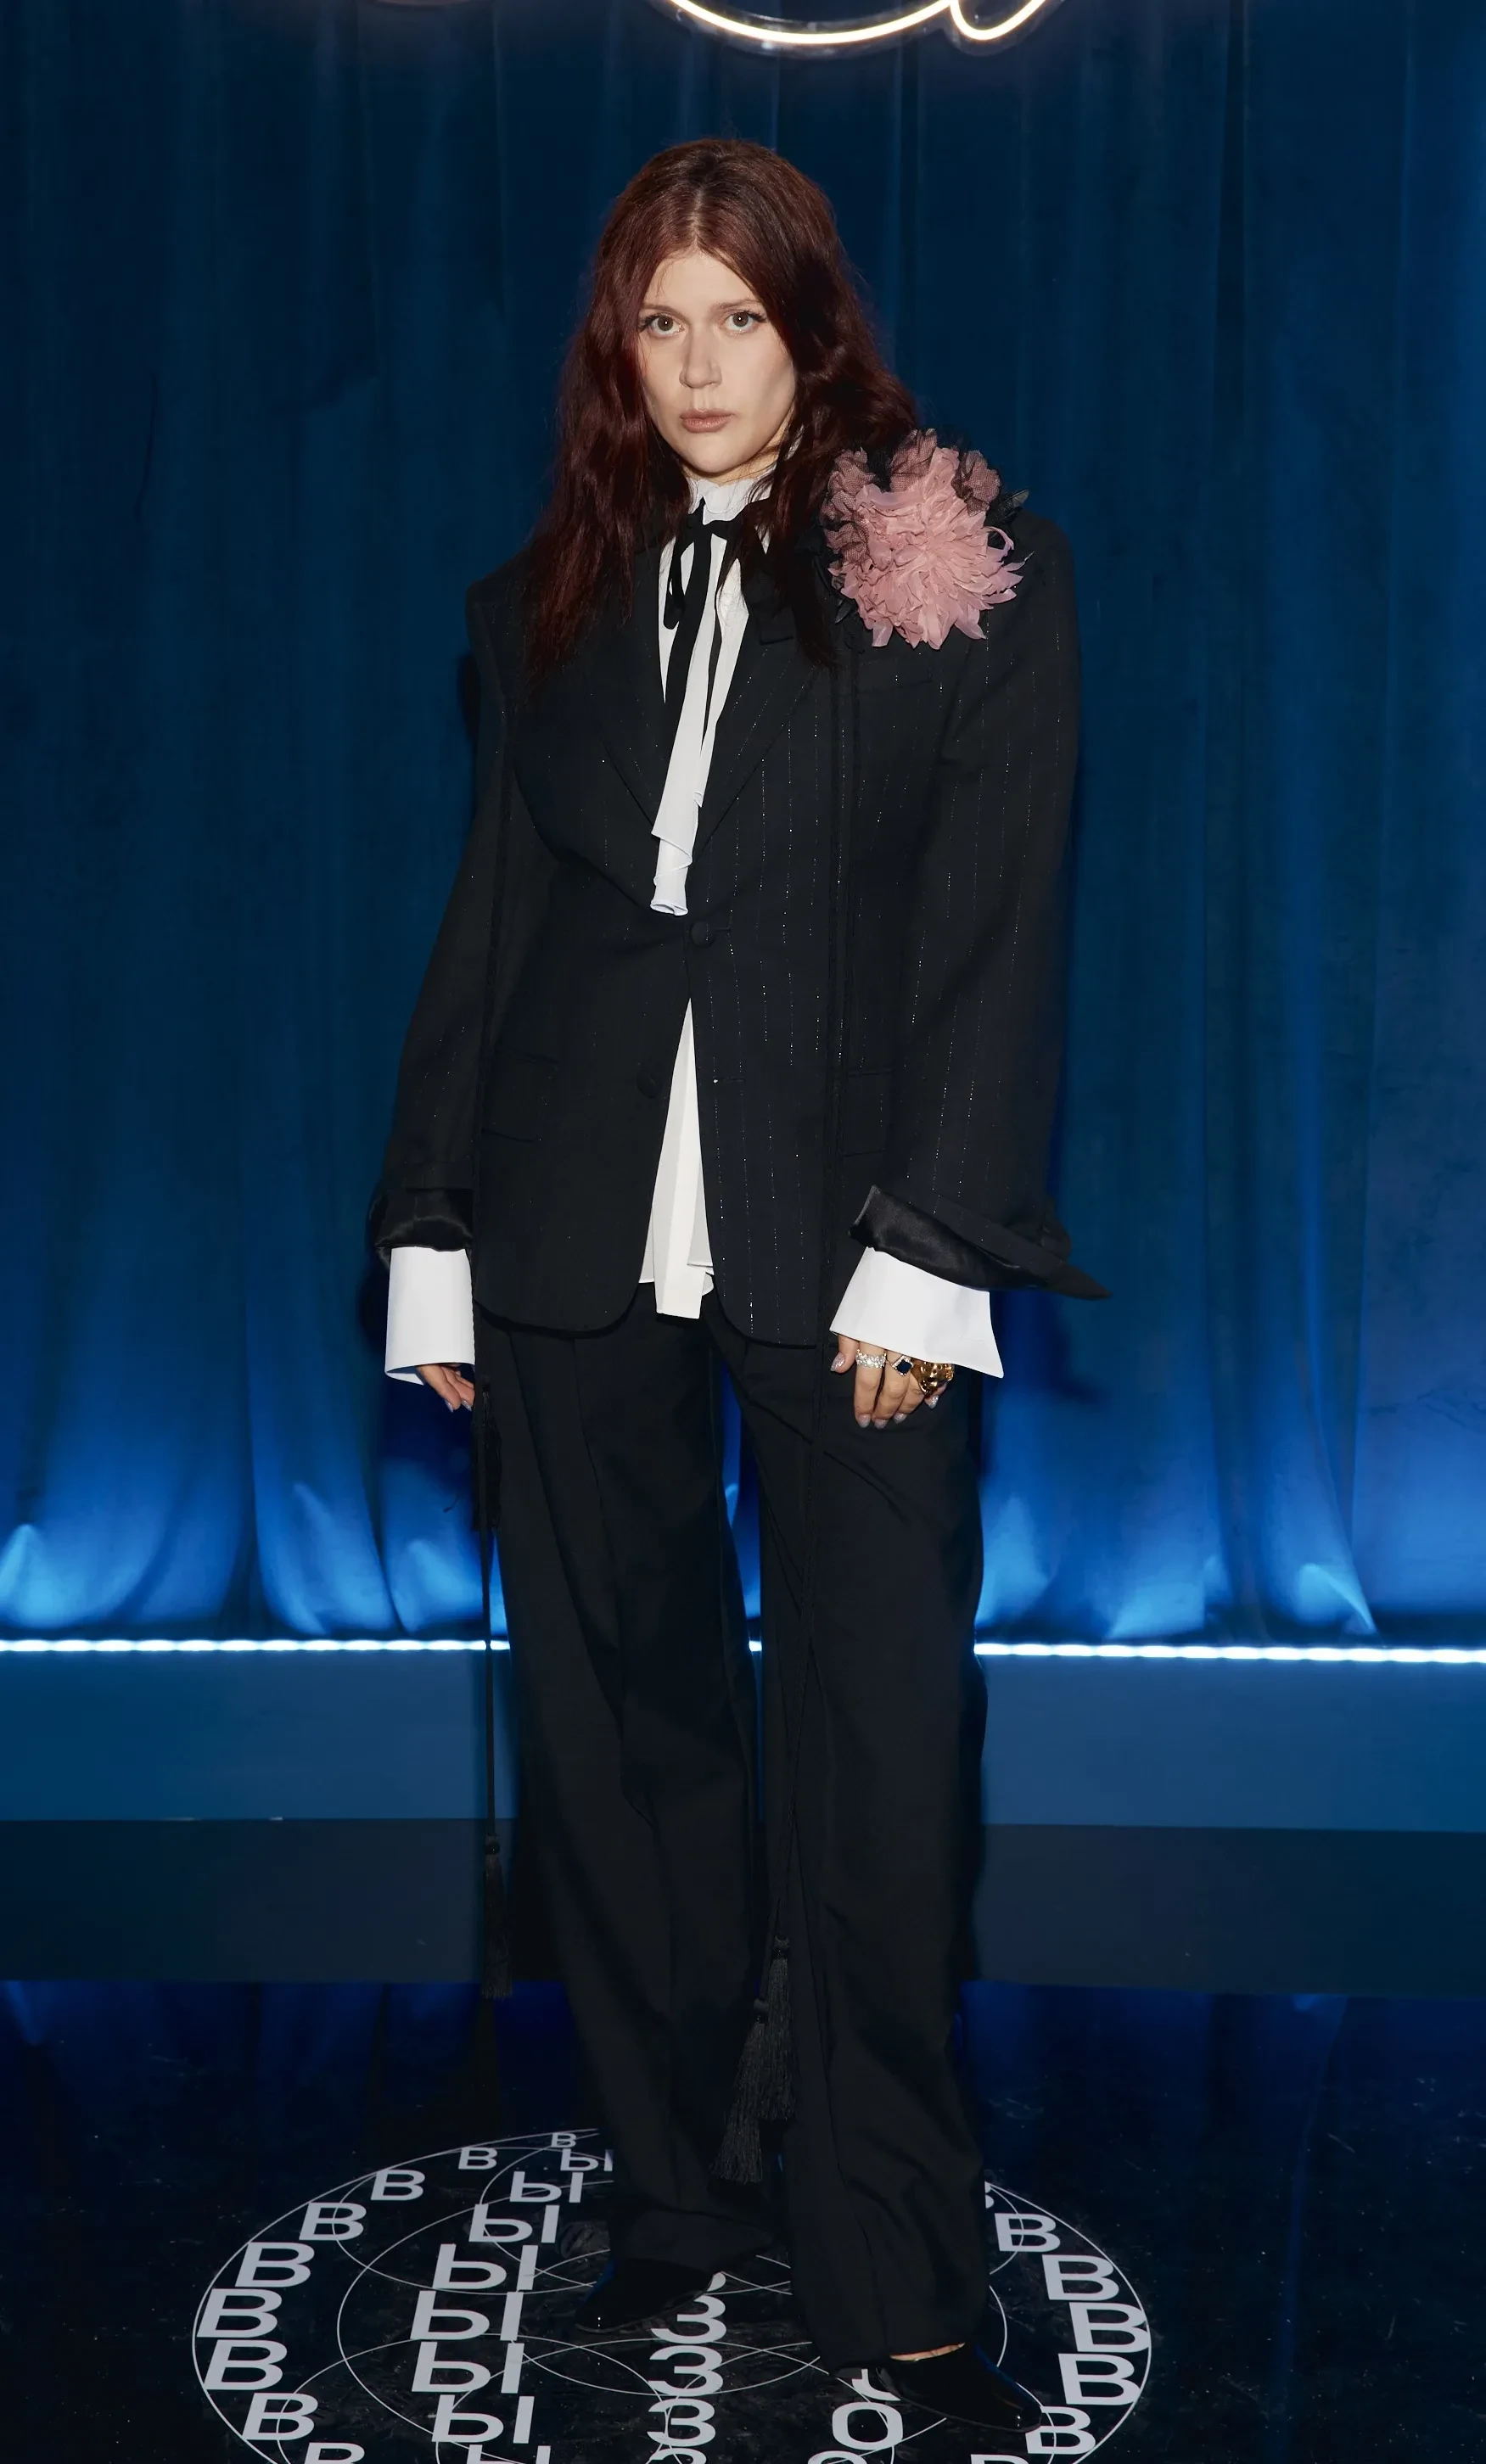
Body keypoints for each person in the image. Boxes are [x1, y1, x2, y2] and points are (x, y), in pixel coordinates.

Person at [371, 136, 1100, 2436]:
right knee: (618, 1746)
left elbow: (998, 931)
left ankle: (886, 2235)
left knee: (877, 1757)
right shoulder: (547, 601)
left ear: (810, 329)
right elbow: (496, 929)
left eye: (737, 320)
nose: (697, 366)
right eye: (657, 323)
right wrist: (431, 1240)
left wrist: (935, 1250)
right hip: (570, 1229)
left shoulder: (956, 555)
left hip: (855, 1253)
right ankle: (677, 2192)